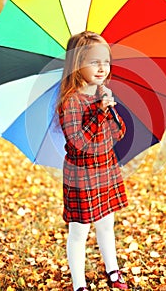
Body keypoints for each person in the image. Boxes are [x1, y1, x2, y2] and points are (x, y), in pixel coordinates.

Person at [57, 31, 128, 291]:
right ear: (77, 64)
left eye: (106, 61)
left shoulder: (102, 93)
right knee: (79, 232)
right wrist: (98, 112)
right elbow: (78, 143)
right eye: (94, 61)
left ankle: (113, 270)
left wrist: (109, 109)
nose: (102, 67)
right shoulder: (71, 101)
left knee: (106, 224)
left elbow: (118, 134)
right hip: (82, 173)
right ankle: (79, 284)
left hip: (105, 168)